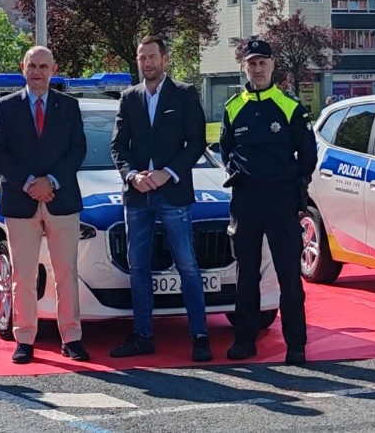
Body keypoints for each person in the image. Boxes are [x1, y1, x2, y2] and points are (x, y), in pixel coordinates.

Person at [109, 35, 212, 362]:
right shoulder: (128, 98)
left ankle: (199, 335)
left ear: (165, 59)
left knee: (187, 265)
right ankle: (143, 335)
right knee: (138, 267)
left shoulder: (184, 95)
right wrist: (131, 175)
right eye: (142, 58)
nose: (147, 63)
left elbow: (196, 142)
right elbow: (117, 146)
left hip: (173, 193)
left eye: (152, 57)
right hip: (137, 196)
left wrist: (169, 172)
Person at [0, 46, 89, 364]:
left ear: (53, 69)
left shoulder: (69, 107)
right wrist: (30, 182)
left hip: (62, 200)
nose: (38, 72)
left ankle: (71, 337)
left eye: (44, 66)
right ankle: (25, 339)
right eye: (32, 65)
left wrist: (52, 182)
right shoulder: (4, 107)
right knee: (23, 276)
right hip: (21, 200)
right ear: (23, 68)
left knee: (66, 273)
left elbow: (78, 150)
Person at [219, 39, 317, 366]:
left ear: (273, 66)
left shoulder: (289, 106)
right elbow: (226, 149)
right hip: (246, 199)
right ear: (244, 67)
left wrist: (295, 186)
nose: (257, 69)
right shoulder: (233, 106)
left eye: (262, 63)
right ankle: (245, 340)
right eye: (252, 63)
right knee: (246, 273)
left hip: (280, 200)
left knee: (289, 274)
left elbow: (308, 154)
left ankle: (296, 344)